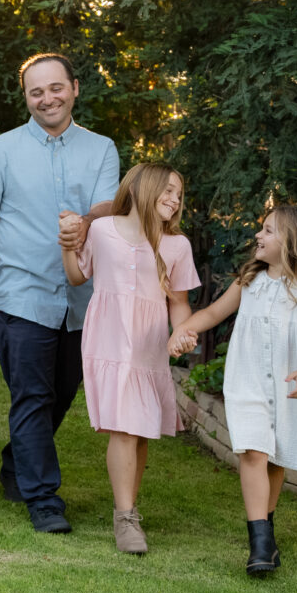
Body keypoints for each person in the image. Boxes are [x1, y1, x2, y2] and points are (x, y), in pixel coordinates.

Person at [0, 52, 119, 534]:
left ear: (75, 88)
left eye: (55, 88)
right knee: (31, 394)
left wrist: (84, 223)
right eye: (35, 91)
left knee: (62, 392)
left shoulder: (102, 148)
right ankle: (43, 498)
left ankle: (15, 462)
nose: (47, 98)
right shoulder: (1, 150)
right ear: (26, 98)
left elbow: (108, 205)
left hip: (81, 299)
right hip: (20, 293)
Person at [170, 205, 297, 576]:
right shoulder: (248, 281)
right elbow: (212, 314)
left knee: (273, 456)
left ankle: (266, 529)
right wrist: (185, 330)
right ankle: (259, 544)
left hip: (288, 378)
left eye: (268, 231)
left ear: (293, 243)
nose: (258, 236)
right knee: (253, 450)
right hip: (247, 379)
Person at [63, 163, 198, 554]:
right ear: (142, 188)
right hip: (108, 336)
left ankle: (129, 510)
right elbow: (77, 276)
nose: (174, 199)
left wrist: (181, 332)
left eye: (179, 193)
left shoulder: (178, 246)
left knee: (138, 430)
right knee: (124, 425)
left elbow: (180, 304)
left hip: (149, 344)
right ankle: (125, 518)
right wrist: (66, 246)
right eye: (168, 190)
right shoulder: (103, 231)